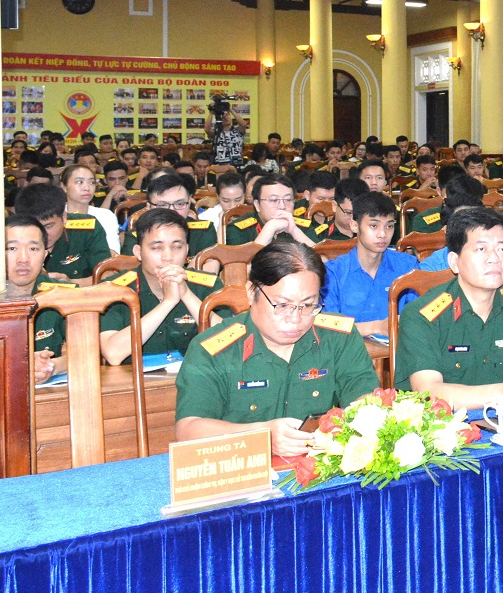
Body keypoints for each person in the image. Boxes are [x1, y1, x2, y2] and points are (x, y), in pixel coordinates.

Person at [175, 242, 379, 456]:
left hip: (318, 468)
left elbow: (366, 400)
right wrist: (260, 436)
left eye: (308, 305)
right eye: (282, 305)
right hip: (244, 470)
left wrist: (354, 419)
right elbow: (188, 429)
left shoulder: (338, 337)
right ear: (251, 292)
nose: (296, 319)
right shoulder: (212, 350)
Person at [394, 207, 503, 408]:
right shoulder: (422, 315)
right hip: (447, 429)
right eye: (481, 249)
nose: (494, 258)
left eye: (502, 249)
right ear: (454, 262)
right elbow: (428, 392)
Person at [99, 209, 225, 364]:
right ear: (138, 252)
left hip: (197, 379)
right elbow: (113, 353)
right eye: (156, 248)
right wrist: (168, 303)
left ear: (186, 250)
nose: (168, 257)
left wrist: (186, 294)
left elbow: (228, 342)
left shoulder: (207, 285)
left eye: (177, 247)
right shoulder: (114, 289)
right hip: (133, 381)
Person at [321, 193, 419, 337]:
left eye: (389, 226)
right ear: (354, 226)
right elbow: (328, 328)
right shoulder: (333, 273)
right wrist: (376, 327)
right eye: (374, 225)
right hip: (349, 355)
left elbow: (419, 318)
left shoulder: (407, 266)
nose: (382, 234)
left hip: (396, 354)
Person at [8, 214, 73, 383]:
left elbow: (87, 351)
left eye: (33, 249)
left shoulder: (65, 295)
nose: (23, 259)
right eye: (12, 249)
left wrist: (50, 367)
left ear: (45, 255)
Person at [13, 183, 110, 285]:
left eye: (48, 226)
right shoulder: (9, 235)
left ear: (64, 217)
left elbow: (106, 276)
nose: (42, 235)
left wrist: (71, 283)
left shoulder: (87, 228)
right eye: (35, 228)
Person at [120, 173, 219, 258]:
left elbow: (207, 271)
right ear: (149, 207)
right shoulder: (135, 236)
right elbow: (131, 273)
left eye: (179, 204)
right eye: (163, 205)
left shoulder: (203, 231)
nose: (172, 211)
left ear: (189, 204)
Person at [225, 174, 328, 246]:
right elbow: (239, 268)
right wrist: (269, 229)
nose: (282, 206)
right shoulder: (238, 229)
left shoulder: (301, 226)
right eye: (274, 200)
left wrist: (294, 231)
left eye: (288, 199)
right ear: (257, 205)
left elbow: (322, 261)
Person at [59, 164, 122, 253]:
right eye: (79, 182)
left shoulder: (106, 215)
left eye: (92, 182)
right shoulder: (56, 216)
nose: (87, 188)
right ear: (64, 187)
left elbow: (113, 254)